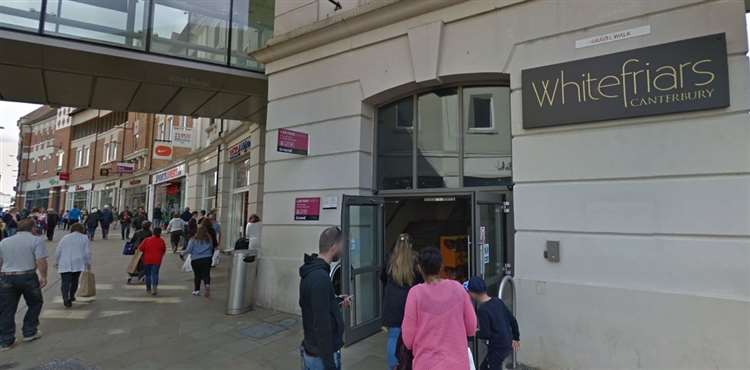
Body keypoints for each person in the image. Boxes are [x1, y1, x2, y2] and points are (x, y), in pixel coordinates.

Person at [402, 247, 477, 370]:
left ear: (420, 268)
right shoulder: (458, 288)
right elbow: (471, 328)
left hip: (426, 364)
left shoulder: (414, 294)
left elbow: (408, 340)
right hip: (457, 364)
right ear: (441, 266)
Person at [299, 227, 350, 370]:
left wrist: (337, 301)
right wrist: (329, 364)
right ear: (334, 247)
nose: (343, 249)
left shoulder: (312, 271)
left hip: (314, 351)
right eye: (342, 245)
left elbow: (311, 304)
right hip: (320, 358)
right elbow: (322, 326)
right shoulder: (320, 278)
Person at [0, 219, 48, 351]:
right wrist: (43, 276)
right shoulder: (36, 240)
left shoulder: (5, 241)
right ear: (32, 228)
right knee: (35, 303)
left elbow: (0, 260)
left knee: (6, 309)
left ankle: (5, 340)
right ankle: (29, 331)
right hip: (27, 276)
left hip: (6, 277)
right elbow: (41, 260)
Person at [382, 234, 422, 370]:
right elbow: (420, 281)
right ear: (410, 246)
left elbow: (382, 277)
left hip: (392, 303)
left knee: (393, 336)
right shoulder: (415, 260)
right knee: (412, 336)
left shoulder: (389, 259)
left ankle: (393, 366)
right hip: (409, 302)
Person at [466, 276, 520, 370]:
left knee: (490, 366)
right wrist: (516, 337)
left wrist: (475, 332)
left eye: (469, 292)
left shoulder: (482, 310)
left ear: (473, 293)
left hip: (497, 348)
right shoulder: (497, 301)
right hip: (506, 343)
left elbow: (486, 334)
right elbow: (512, 320)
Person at [54, 223, 91, 308]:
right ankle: (72, 295)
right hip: (77, 262)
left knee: (65, 282)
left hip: (64, 262)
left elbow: (58, 251)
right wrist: (88, 263)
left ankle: (65, 298)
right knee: (74, 281)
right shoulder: (84, 238)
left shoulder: (65, 237)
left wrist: (56, 262)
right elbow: (87, 252)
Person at [182, 225, 214, 297]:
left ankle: (197, 290)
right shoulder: (209, 239)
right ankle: (207, 285)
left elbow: (189, 250)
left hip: (196, 259)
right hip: (207, 258)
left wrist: (182, 254)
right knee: (206, 273)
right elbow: (211, 247)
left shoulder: (193, 239)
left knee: (197, 275)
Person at [137, 227, 166, 296]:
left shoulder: (146, 240)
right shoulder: (161, 240)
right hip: (157, 260)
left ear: (153, 232)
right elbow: (163, 250)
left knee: (148, 275)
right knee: (155, 274)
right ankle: (154, 289)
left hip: (147, 259)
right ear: (160, 233)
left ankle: (148, 288)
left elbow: (140, 248)